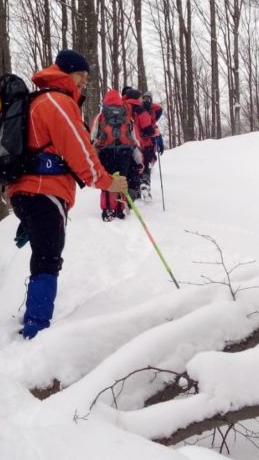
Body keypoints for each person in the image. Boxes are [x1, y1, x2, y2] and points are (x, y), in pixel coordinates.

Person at [9, 49, 128, 339]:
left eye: (86, 77)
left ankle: (33, 319)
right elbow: (79, 150)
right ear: (65, 72)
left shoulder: (37, 101)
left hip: (26, 191)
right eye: (80, 76)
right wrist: (106, 182)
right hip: (43, 191)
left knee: (44, 254)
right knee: (48, 258)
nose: (84, 82)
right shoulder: (58, 102)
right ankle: (36, 329)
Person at [91, 89, 143, 221]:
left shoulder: (102, 115)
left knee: (108, 181)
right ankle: (120, 209)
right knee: (121, 181)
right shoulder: (126, 116)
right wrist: (139, 160)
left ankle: (108, 209)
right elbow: (134, 139)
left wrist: (93, 154)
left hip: (106, 152)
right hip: (125, 153)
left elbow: (92, 137)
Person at [121, 86, 158, 199]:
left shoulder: (120, 107)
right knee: (142, 166)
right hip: (139, 144)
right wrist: (155, 132)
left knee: (127, 170)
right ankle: (140, 188)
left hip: (122, 144)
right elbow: (148, 128)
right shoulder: (141, 109)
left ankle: (123, 195)